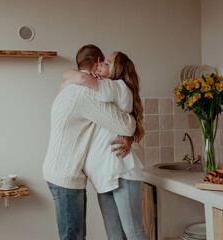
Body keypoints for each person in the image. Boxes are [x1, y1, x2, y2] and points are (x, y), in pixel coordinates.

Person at [42, 44, 136, 240]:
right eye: (104, 63)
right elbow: (126, 126)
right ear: (98, 62)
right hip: (66, 176)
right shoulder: (87, 93)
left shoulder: (71, 86)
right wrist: (134, 127)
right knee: (73, 237)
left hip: (61, 173)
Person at [62, 51, 148, 240]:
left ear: (118, 70)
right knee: (115, 236)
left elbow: (74, 77)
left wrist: (81, 75)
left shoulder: (117, 86)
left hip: (122, 172)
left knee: (134, 232)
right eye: (100, 62)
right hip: (104, 176)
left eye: (107, 63)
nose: (100, 64)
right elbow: (69, 77)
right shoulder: (106, 90)